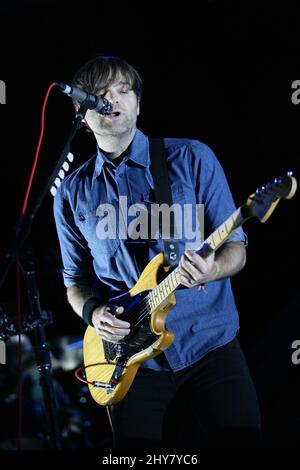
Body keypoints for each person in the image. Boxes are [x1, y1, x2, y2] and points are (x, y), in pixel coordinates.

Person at [53, 55, 262, 450]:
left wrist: (212, 269)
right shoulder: (71, 192)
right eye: (98, 93)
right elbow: (75, 282)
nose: (111, 99)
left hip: (208, 343)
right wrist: (94, 314)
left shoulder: (191, 158)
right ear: (81, 111)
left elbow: (237, 248)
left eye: (122, 90)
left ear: (138, 103)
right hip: (130, 361)